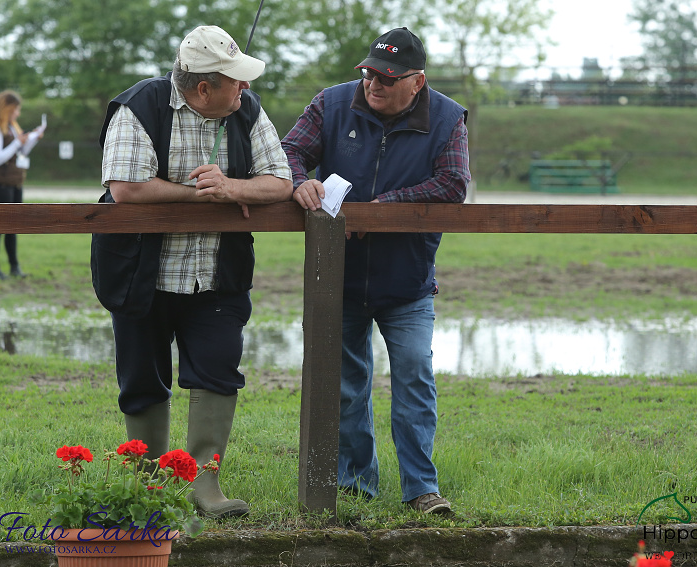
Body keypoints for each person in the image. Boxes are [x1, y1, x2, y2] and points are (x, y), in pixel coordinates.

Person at [99, 25, 293, 518]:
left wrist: (230, 188)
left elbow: (280, 181)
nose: (245, 89)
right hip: (139, 271)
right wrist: (200, 195)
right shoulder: (139, 105)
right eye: (236, 81)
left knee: (219, 372)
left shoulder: (245, 109)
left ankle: (204, 484)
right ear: (203, 87)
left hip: (218, 274)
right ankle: (146, 484)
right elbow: (125, 188)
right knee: (141, 378)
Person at [281, 27, 470, 514]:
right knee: (346, 384)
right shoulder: (331, 103)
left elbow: (452, 184)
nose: (374, 84)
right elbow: (287, 153)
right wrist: (300, 183)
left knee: (414, 378)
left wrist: (383, 209)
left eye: (387, 77)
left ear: (417, 81)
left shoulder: (449, 118)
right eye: (369, 74)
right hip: (337, 279)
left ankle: (421, 489)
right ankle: (355, 484)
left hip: (408, 284)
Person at [0, 90, 44, 280]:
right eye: (15, 110)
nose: (17, 114)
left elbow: (20, 152)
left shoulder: (11, 127)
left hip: (14, 183)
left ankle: (14, 267)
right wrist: (16, 143)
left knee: (13, 227)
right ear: (6, 109)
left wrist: (32, 140)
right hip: (0, 184)